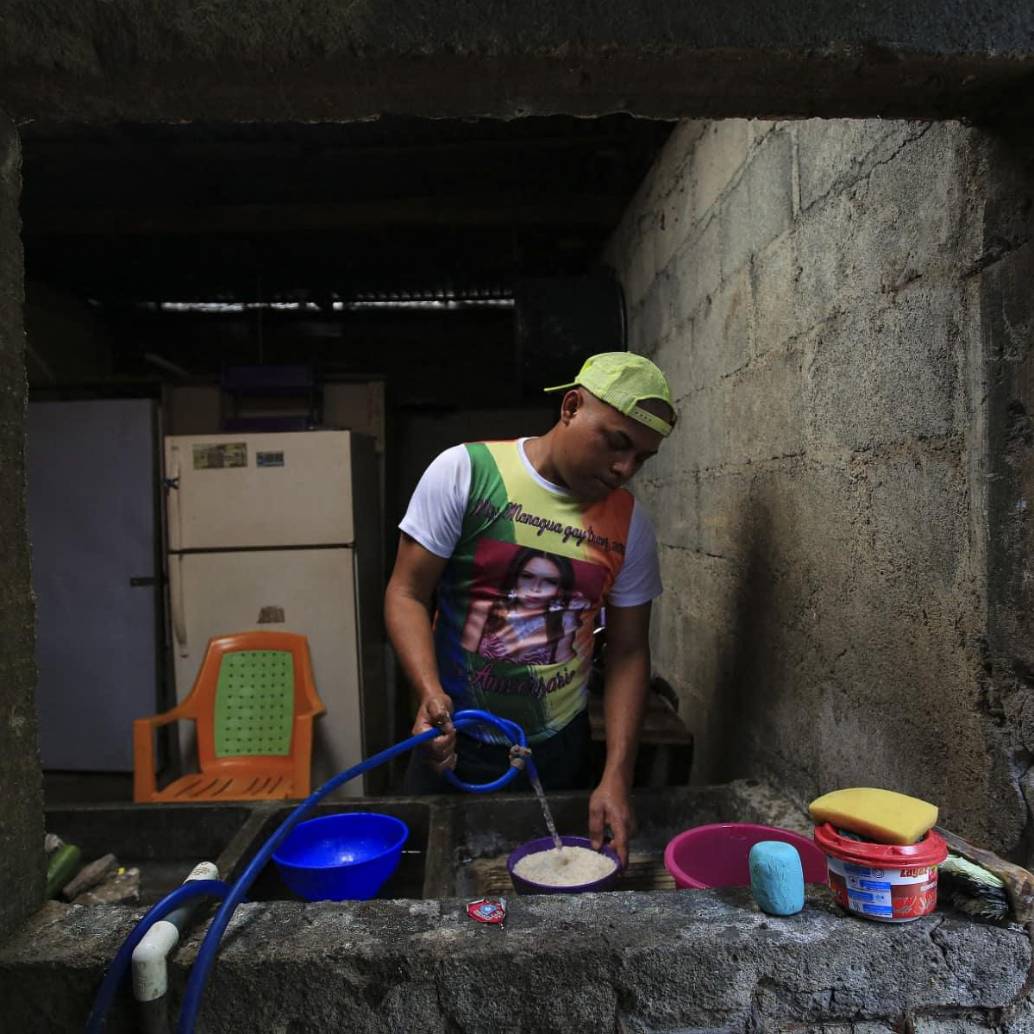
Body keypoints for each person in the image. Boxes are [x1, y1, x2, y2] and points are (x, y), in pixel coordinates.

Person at [384, 352, 675, 866]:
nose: (624, 469)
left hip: (559, 746)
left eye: (642, 458)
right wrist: (429, 693)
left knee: (555, 892)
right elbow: (407, 593)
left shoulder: (630, 525)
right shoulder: (467, 472)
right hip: (454, 740)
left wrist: (616, 776)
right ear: (570, 407)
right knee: (437, 892)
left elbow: (629, 652)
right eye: (617, 442)